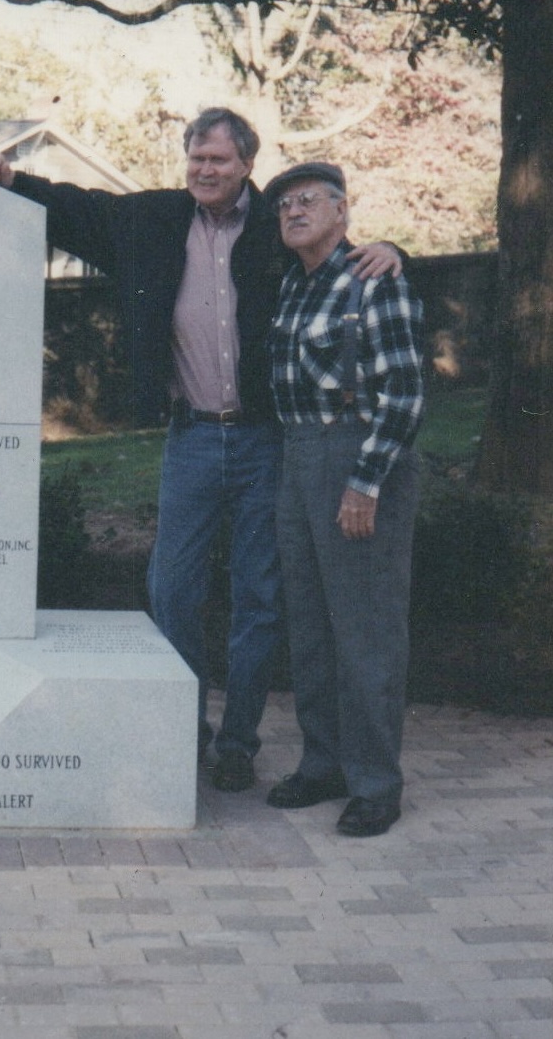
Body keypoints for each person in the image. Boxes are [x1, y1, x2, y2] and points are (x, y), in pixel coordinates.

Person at [0, 109, 400, 791]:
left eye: (221, 162)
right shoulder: (151, 220)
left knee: (258, 596)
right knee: (171, 589)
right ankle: (183, 726)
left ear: (246, 167)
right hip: (192, 436)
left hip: (266, 439)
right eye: (197, 158)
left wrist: (391, 250)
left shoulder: (275, 227)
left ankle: (237, 742)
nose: (206, 171)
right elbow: (76, 208)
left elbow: (334, 247)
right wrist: (11, 180)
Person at [263, 162, 423, 837]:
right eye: (284, 205)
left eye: (309, 200)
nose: (293, 211)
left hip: (355, 457)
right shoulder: (292, 287)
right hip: (298, 457)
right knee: (310, 622)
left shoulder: (374, 279)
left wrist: (366, 482)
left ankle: (376, 783)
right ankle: (324, 762)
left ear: (342, 210)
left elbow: (406, 393)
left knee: (365, 626)